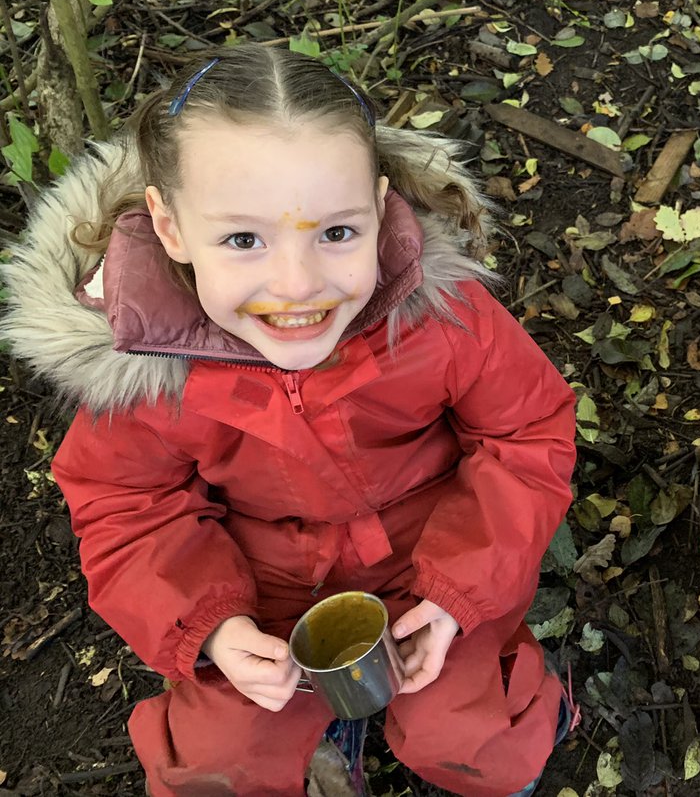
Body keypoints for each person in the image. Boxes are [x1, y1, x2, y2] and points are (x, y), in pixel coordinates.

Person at [1, 44, 577, 796]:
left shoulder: (440, 316)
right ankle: (313, 728)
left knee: (473, 737)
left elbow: (525, 434)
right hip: (255, 590)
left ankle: (511, 729)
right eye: (243, 240)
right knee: (219, 762)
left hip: (429, 560)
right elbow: (125, 508)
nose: (298, 286)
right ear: (169, 229)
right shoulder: (142, 366)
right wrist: (211, 627)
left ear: (377, 208)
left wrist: (457, 593)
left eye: (336, 233)